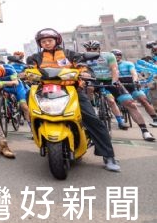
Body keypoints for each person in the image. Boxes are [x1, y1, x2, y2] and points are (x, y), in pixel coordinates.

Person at [27, 29, 120, 171]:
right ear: (39, 43)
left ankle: (108, 156)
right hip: (44, 92)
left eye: (49, 40)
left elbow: (83, 65)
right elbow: (29, 69)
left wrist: (84, 72)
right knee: (31, 108)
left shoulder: (70, 54)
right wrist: (25, 74)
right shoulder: (35, 57)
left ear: (57, 41)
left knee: (92, 120)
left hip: (72, 91)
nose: (46, 43)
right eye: (43, 41)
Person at [81, 40, 130, 130]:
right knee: (89, 88)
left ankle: (120, 121)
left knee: (111, 101)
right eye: (89, 49)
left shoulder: (108, 55)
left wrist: (114, 81)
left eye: (94, 48)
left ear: (99, 49)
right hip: (94, 80)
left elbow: (114, 69)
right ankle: (92, 105)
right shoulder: (83, 57)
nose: (91, 50)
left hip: (108, 80)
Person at [113, 49, 157, 138]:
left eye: (119, 55)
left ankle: (155, 119)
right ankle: (143, 130)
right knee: (130, 104)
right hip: (118, 84)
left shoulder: (128, 63)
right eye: (115, 55)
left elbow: (134, 73)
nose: (117, 56)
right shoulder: (109, 65)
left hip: (130, 83)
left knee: (143, 99)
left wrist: (135, 80)